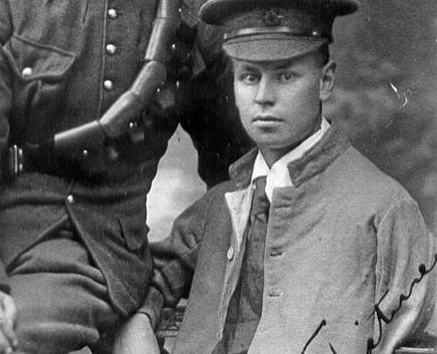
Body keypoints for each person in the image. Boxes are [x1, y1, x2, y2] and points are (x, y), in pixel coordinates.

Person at [113, 0, 437, 353]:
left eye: (285, 76)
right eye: (250, 76)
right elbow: (148, 279)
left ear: (325, 80)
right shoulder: (221, 206)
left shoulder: (386, 213)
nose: (264, 98)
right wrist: (139, 322)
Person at [0, 0, 253, 353]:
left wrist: (158, 290)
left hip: (97, 256)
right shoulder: (4, 6)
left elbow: (244, 172)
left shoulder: (189, 19)